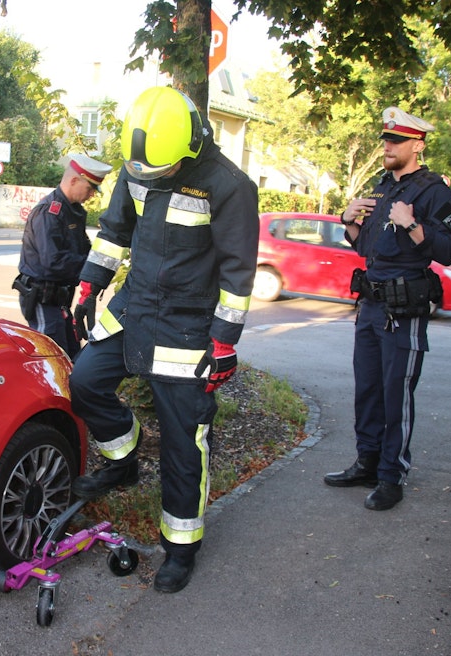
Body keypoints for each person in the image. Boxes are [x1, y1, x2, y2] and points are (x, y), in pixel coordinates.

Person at [68, 86, 260, 592]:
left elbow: (239, 274)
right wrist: (91, 282)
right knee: (85, 381)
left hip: (188, 327)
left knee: (184, 442)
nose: (145, 179)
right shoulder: (140, 166)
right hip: (134, 309)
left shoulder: (229, 186)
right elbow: (114, 231)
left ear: (190, 144)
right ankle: (123, 459)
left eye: (157, 172)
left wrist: (224, 342)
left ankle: (181, 546)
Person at [323, 106, 451, 510]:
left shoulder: (435, 192)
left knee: (395, 394)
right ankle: (366, 462)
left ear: (416, 145)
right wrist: (347, 221)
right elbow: (369, 248)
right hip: (370, 305)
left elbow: (450, 251)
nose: (388, 146)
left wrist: (412, 225)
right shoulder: (382, 187)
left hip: (403, 311)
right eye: (386, 139)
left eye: (396, 141)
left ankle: (391, 475)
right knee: (367, 389)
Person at [14, 154, 112, 358]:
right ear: (74, 180)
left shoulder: (72, 211)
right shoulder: (49, 212)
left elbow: (83, 250)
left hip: (59, 300)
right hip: (42, 299)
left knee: (72, 356)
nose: (92, 194)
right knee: (52, 358)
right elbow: (53, 263)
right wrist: (89, 269)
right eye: (90, 188)